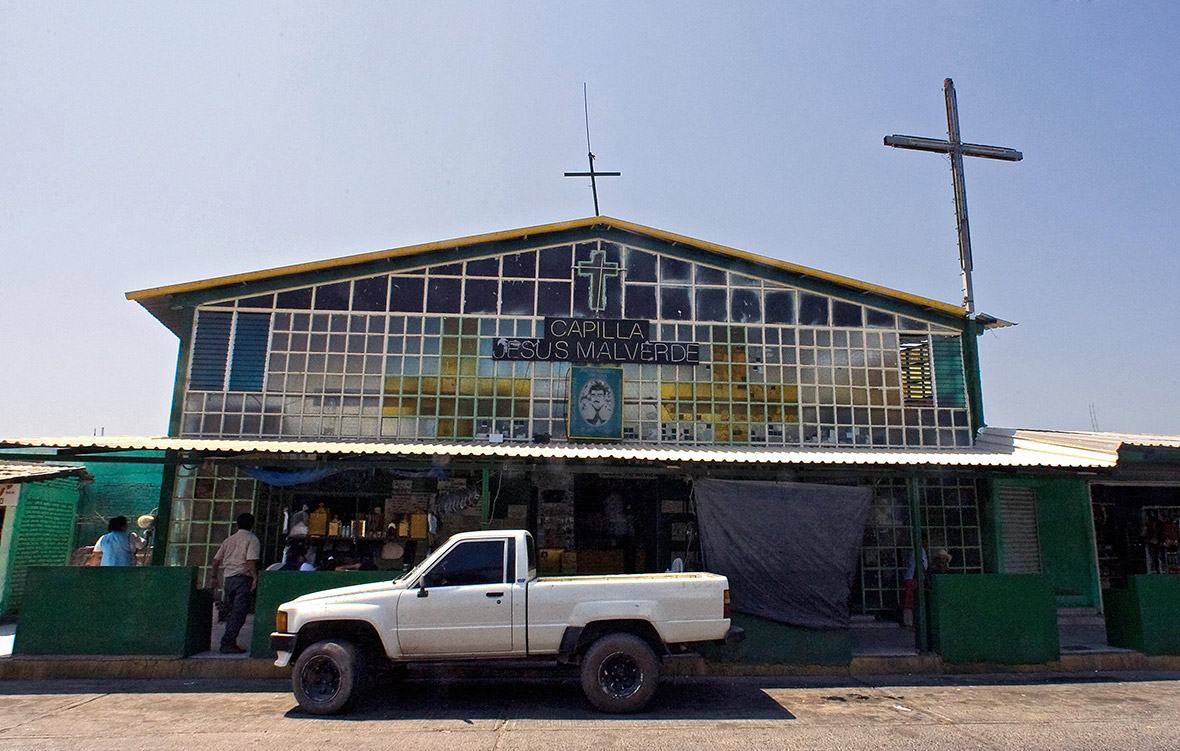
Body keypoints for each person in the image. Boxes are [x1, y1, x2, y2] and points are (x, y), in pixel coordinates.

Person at [210, 513, 261, 654]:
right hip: (243, 579)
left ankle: (229, 641)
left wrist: (214, 577)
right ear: (252, 524)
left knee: (232, 612)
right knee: (239, 614)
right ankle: (228, 642)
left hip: (229, 580)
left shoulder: (229, 540)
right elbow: (250, 560)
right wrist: (255, 577)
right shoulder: (252, 539)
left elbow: (216, 560)